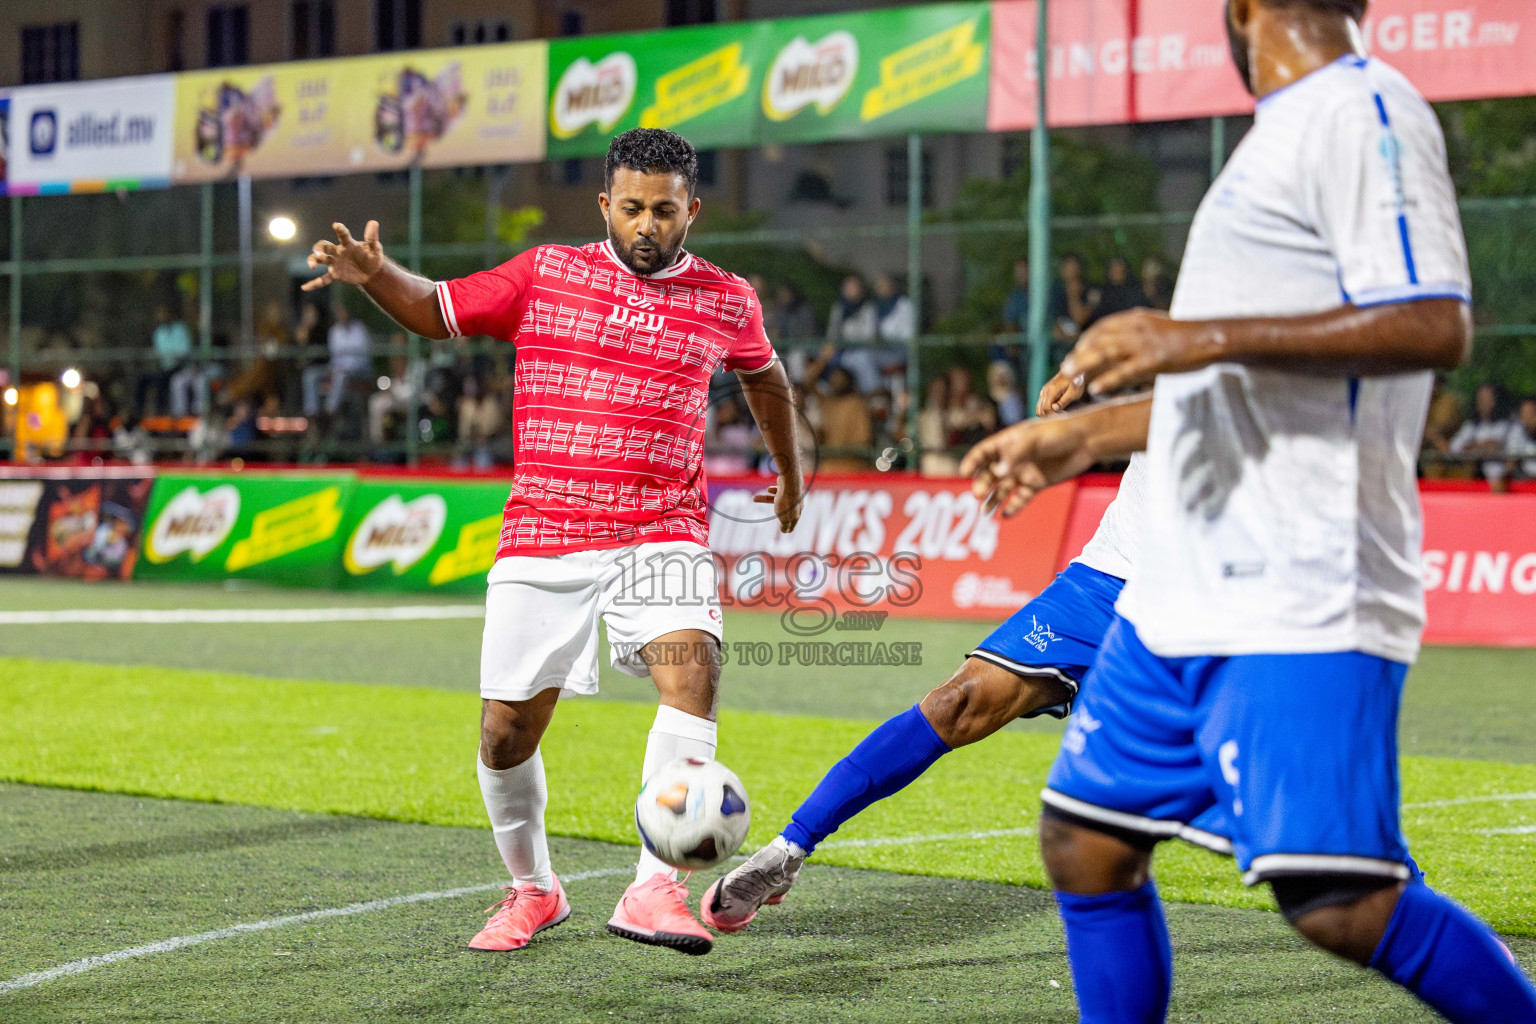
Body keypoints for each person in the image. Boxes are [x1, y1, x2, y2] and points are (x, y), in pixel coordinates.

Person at [957, 2, 1536, 1020]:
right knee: (1087, 840)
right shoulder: (1286, 134)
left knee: (1340, 902)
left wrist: (1194, 335)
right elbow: (1254, 381)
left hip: (1298, 580)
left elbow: (1433, 322)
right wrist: (1085, 437)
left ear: (1245, 11)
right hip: (1180, 584)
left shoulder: (1365, 110)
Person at [302, 127, 804, 957]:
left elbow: (767, 378)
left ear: (692, 214)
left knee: (693, 671)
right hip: (546, 526)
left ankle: (654, 886)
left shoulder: (727, 298)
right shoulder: (546, 274)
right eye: (634, 208)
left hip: (661, 527)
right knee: (506, 730)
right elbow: (437, 310)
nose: (649, 225)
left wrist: (788, 475)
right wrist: (374, 275)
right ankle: (535, 889)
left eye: (666, 211)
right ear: (606, 204)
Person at [301, 302, 373, 420]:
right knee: (310, 374)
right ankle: (313, 413)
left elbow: (362, 355)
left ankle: (330, 410)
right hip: (336, 368)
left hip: (358, 371)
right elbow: (334, 355)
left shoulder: (359, 329)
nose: (341, 315)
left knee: (341, 375)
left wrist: (344, 364)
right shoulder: (334, 331)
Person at [1449, 382, 1515, 484]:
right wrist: (1483, 447)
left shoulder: (1510, 425)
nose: (1483, 403)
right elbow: (1454, 447)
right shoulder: (1472, 426)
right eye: (1481, 399)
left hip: (1503, 482)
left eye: (1488, 399)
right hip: (1475, 481)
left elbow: (1514, 451)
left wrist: (1474, 447)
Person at [135, 306, 192, 417]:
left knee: (162, 379)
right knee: (141, 379)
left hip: (179, 367)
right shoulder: (159, 332)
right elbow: (158, 353)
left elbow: (184, 352)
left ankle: (161, 413)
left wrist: (171, 358)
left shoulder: (180, 329)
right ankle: (137, 414)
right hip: (163, 367)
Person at [1085, 256, 1150, 328]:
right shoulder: (1102, 292)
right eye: (1114, 269)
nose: (1117, 271)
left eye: (1119, 268)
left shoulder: (1136, 291)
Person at [987, 361, 1026, 427]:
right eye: (996, 376)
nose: (999, 379)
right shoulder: (987, 399)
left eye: (1002, 376)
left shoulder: (1013, 399)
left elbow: (1015, 420)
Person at [1507, 396, 1536, 480]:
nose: (1526, 420)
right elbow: (1510, 463)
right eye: (1524, 414)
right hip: (1524, 479)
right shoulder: (1518, 431)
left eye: (1531, 414)